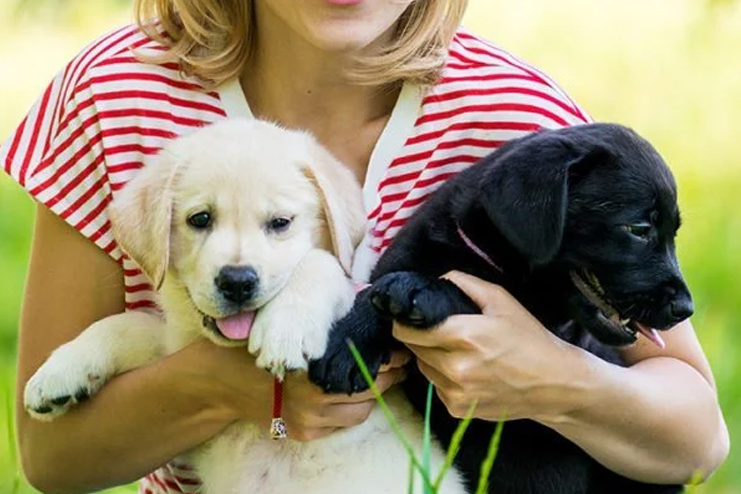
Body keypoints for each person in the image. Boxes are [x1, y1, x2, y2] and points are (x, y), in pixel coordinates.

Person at [1, 1, 729, 493]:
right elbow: (51, 456)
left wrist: (550, 378)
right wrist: (224, 387)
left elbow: (695, 438)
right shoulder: (115, 93)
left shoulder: (515, 121)